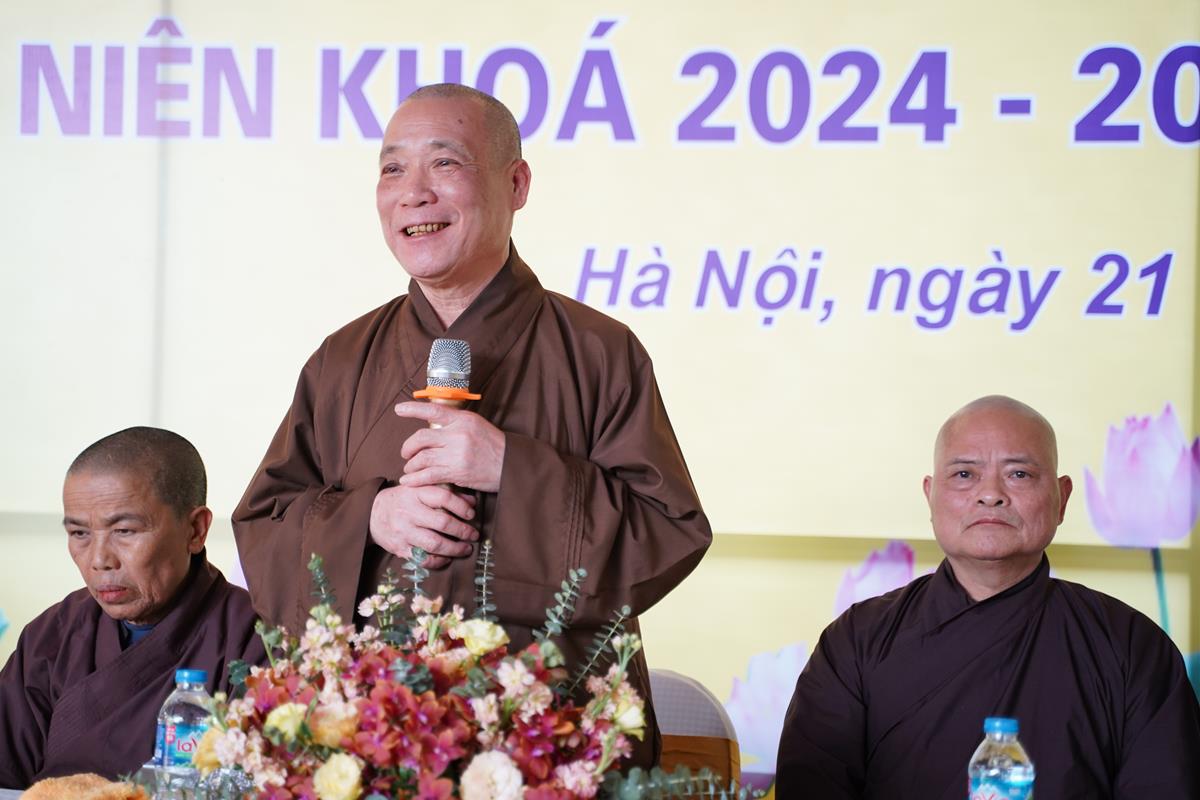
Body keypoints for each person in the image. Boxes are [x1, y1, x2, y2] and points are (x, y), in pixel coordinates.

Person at [232, 83, 712, 766]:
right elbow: (265, 525)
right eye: (392, 169)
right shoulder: (342, 360)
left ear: (516, 185)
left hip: (552, 746)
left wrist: (512, 469)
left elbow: (667, 533)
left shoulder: (599, 351)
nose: (413, 193)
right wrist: (367, 522)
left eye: (445, 163)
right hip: (375, 745)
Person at [775, 395, 1200, 799]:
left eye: (1019, 474)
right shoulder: (857, 641)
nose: (990, 493)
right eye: (964, 474)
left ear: (1062, 498)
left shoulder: (1131, 646)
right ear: (930, 495)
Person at [0, 428, 265, 787]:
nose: (99, 560)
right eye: (79, 533)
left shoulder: (253, 637)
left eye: (124, 531)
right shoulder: (53, 634)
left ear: (195, 530)